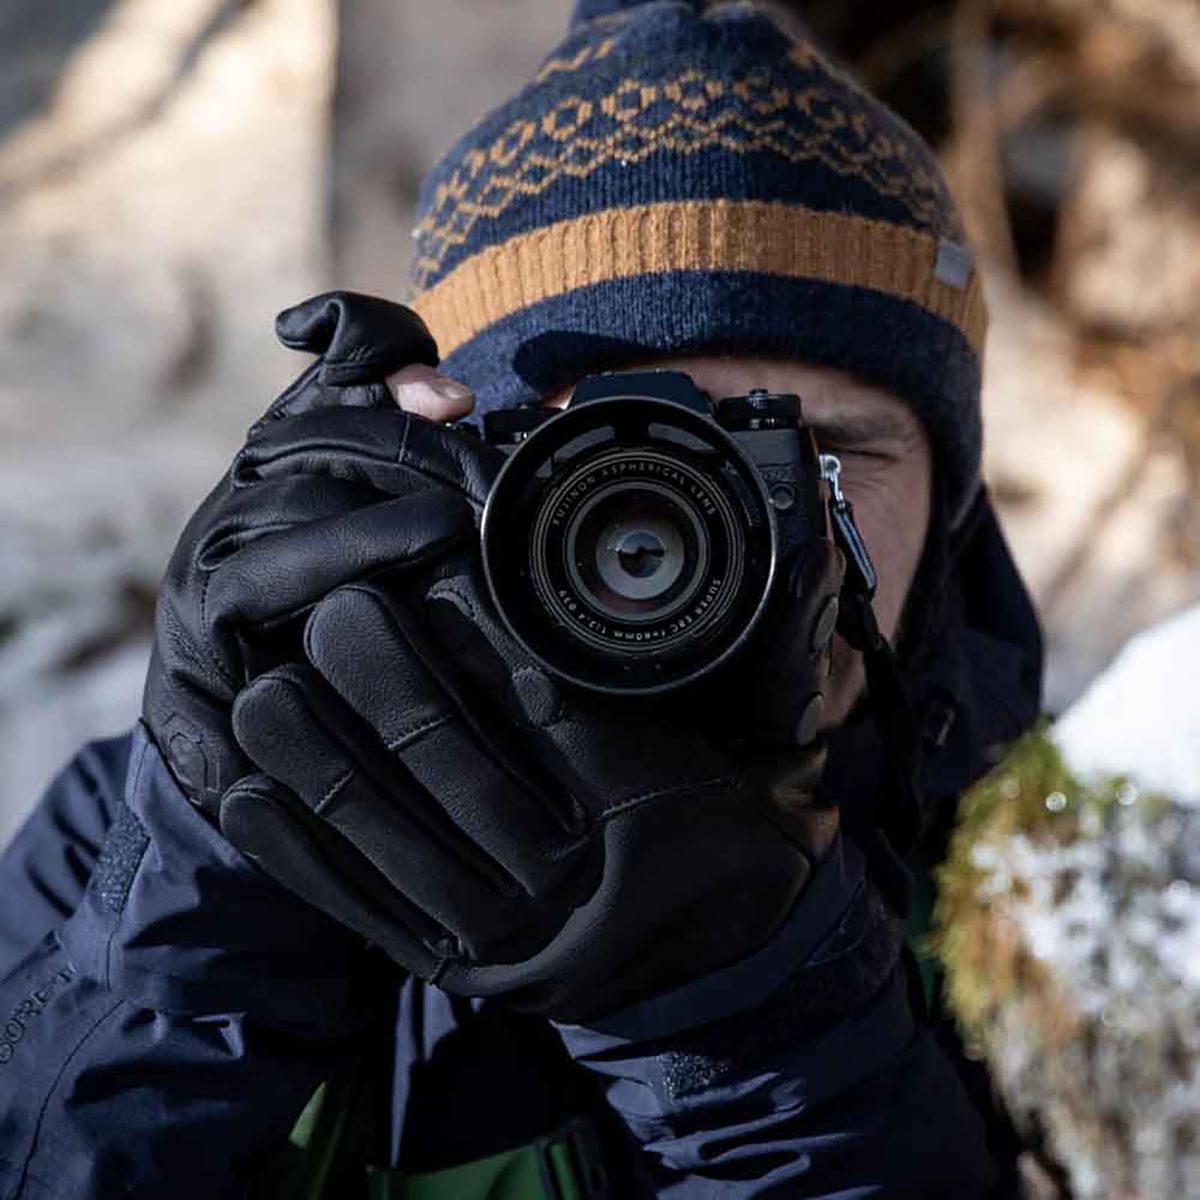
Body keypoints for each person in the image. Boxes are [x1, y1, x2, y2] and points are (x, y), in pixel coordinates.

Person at [0, 2, 1043, 1196]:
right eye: (632, 464)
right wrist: (227, 880)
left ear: (958, 506)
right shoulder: (134, 837)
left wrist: (753, 1003)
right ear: (464, 465)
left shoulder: (1066, 892)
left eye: (827, 455)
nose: (748, 533)